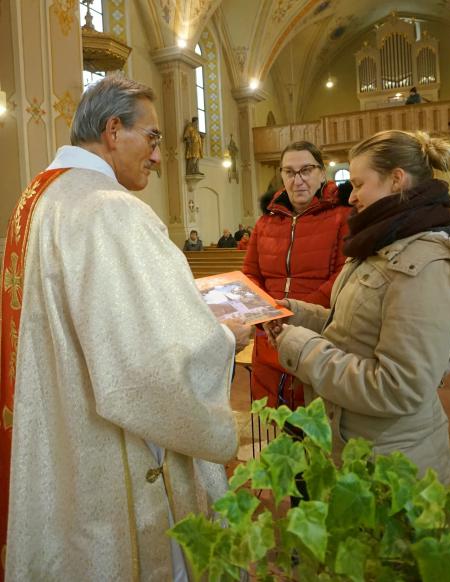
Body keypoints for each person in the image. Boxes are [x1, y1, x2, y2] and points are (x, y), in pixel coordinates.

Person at [0, 75, 251, 581]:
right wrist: (225, 338)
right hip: (119, 464)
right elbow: (142, 371)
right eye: (153, 138)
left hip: (66, 444)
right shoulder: (111, 212)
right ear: (114, 131)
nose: (159, 156)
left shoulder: (39, 200)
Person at [268, 130, 450, 484]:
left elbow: (398, 386)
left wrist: (302, 350)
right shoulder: (382, 242)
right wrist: (296, 313)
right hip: (359, 445)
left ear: (396, 180)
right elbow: (355, 328)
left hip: (395, 462)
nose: (353, 196)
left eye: (359, 184)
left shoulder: (425, 265)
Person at [243, 141, 351, 407]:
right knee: (276, 422)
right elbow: (251, 274)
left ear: (322, 172)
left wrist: (296, 312)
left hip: (317, 331)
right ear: (281, 175)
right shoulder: (266, 220)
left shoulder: (343, 216)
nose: (298, 180)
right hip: (269, 330)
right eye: (289, 172)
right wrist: (267, 314)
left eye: (306, 170)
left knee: (316, 421)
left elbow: (343, 275)